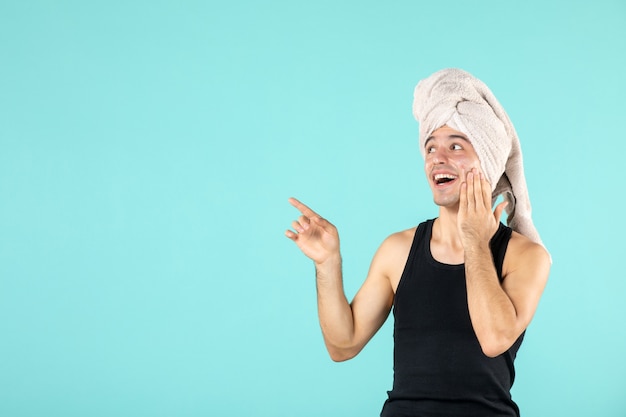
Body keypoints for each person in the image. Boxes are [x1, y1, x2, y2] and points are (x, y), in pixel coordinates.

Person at [285, 68, 551, 417]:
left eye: (456, 145)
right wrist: (327, 264)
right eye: (430, 147)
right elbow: (343, 344)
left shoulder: (526, 256)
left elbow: (494, 338)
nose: (437, 158)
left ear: (486, 160)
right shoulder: (398, 250)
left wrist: (474, 237)